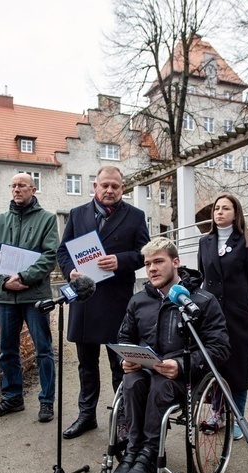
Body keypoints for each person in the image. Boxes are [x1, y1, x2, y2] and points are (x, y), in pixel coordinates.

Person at [112, 238, 230, 473]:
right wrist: (126, 358)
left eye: (158, 261)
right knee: (131, 382)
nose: (151, 268)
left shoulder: (202, 301)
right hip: (144, 371)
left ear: (176, 263)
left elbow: (219, 349)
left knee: (160, 385)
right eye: (147, 264)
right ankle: (133, 450)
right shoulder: (138, 301)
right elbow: (125, 337)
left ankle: (149, 454)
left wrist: (181, 364)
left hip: (182, 377)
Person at [56, 166, 149, 439]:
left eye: (115, 187)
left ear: (123, 189)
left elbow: (144, 254)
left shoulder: (135, 216)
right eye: (105, 185)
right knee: (86, 365)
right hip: (84, 301)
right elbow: (63, 251)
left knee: (120, 366)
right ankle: (86, 416)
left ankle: (123, 420)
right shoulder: (77, 214)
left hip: (117, 302)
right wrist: (70, 271)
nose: (110, 190)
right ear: (95, 186)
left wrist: (121, 261)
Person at [0, 172, 59, 423]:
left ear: (33, 189)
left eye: (22, 186)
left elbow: (50, 256)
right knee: (7, 350)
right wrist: (5, 281)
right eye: (14, 185)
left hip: (35, 295)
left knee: (43, 350)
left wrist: (24, 278)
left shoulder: (47, 219)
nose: (17, 189)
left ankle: (47, 401)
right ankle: (13, 397)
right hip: (6, 297)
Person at [197, 194, 248, 440]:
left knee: (238, 366)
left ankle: (238, 416)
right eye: (217, 208)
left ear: (236, 214)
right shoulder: (205, 242)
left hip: (238, 314)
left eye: (226, 208)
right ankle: (217, 413)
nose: (220, 211)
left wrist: (238, 299)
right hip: (211, 315)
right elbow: (204, 274)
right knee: (215, 364)